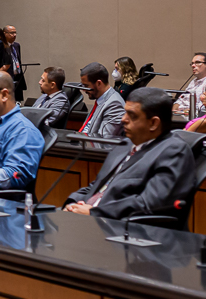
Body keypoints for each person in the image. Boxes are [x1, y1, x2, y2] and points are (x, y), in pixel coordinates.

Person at [64, 88, 197, 222]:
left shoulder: (174, 151)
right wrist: (72, 203)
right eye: (125, 112)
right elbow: (98, 185)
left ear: (153, 123)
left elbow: (150, 203)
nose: (123, 119)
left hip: (125, 228)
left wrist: (94, 212)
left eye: (132, 115)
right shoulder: (125, 144)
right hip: (91, 219)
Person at [80, 62, 126, 139]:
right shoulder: (102, 100)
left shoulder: (114, 105)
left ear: (98, 83)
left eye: (86, 86)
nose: (84, 90)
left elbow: (102, 140)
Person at [176, 52, 206, 123]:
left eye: (197, 63)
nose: (193, 66)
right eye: (192, 63)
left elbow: (200, 109)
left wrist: (182, 112)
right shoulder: (193, 81)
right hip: (181, 117)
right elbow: (180, 101)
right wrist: (173, 112)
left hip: (195, 120)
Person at [1, 25, 26, 101]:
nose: (14, 35)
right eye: (11, 33)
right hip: (8, 77)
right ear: (4, 34)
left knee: (18, 101)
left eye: (15, 33)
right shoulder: (1, 46)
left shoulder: (16, 45)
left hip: (17, 77)